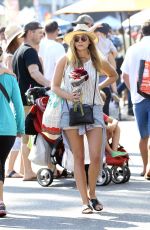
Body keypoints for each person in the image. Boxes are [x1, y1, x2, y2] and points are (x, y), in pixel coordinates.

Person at [51, 24, 118, 214]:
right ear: (72, 41)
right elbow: (55, 86)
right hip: (70, 110)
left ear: (89, 41)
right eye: (77, 38)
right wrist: (68, 96)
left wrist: (98, 88)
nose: (80, 41)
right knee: (78, 158)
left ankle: (93, 193)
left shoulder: (98, 60)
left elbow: (114, 75)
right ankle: (83, 201)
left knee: (96, 156)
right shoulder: (65, 60)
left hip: (94, 109)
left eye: (84, 38)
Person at [12, 21, 50, 181]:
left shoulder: (19, 51)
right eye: (39, 31)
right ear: (29, 32)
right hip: (29, 100)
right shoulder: (29, 52)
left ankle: (24, 169)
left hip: (22, 99)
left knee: (25, 136)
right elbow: (34, 73)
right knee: (30, 136)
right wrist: (51, 85)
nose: (42, 34)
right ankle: (28, 171)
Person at [121, 20, 150, 180]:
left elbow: (124, 75)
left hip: (138, 98)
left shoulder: (133, 49)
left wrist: (133, 89)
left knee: (143, 135)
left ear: (142, 32)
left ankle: (145, 166)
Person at [0, 50, 25, 216]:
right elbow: (18, 106)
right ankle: (0, 202)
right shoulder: (10, 78)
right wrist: (20, 128)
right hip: (7, 128)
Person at [4, 23, 24, 178]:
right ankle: (10, 168)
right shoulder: (10, 57)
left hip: (8, 94)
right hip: (8, 96)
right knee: (18, 134)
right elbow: (10, 74)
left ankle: (17, 168)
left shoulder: (11, 54)